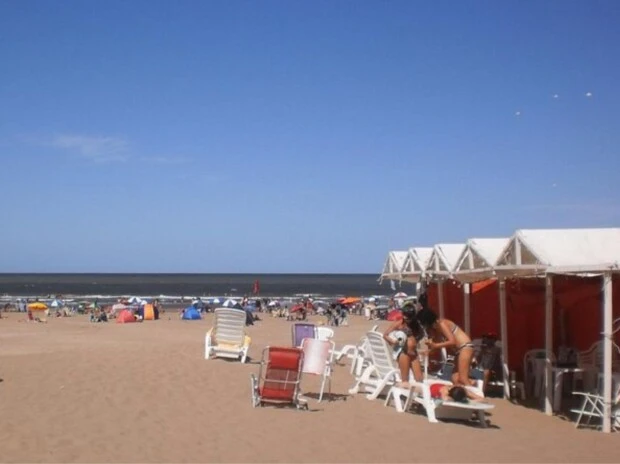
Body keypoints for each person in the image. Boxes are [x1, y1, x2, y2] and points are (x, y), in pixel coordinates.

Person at [417, 308, 475, 387]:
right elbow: (436, 346)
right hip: (459, 351)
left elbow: (452, 341)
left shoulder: (442, 323)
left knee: (463, 379)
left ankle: (475, 393)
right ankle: (467, 389)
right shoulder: (436, 328)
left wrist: (435, 345)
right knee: (455, 378)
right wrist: (428, 352)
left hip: (465, 347)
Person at [383, 305, 424, 387]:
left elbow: (421, 334)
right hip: (403, 353)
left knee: (419, 379)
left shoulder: (417, 324)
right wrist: (393, 342)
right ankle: (402, 392)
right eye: (405, 317)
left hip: (413, 353)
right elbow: (385, 335)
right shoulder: (399, 323)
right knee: (405, 380)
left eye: (409, 318)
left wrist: (416, 340)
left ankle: (416, 392)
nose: (407, 319)